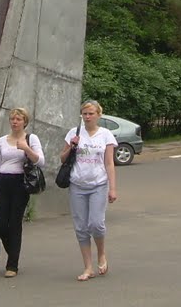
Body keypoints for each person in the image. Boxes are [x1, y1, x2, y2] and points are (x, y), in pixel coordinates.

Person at [61, 99, 117, 282]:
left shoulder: (106, 135)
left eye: (91, 113)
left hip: (99, 185)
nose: (87, 117)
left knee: (96, 224)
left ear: (98, 115)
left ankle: (101, 254)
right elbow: (62, 159)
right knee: (81, 227)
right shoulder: (74, 132)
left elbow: (109, 163)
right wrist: (71, 146)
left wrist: (113, 188)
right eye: (84, 114)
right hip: (77, 185)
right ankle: (88, 267)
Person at [0, 107, 45, 278]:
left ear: (25, 121)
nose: (15, 122)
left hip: (20, 184)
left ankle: (12, 265)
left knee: (14, 223)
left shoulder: (31, 139)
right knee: (0, 224)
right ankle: (13, 253)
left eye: (18, 119)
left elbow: (41, 162)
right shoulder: (2, 141)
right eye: (12, 119)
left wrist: (26, 148)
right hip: (3, 181)